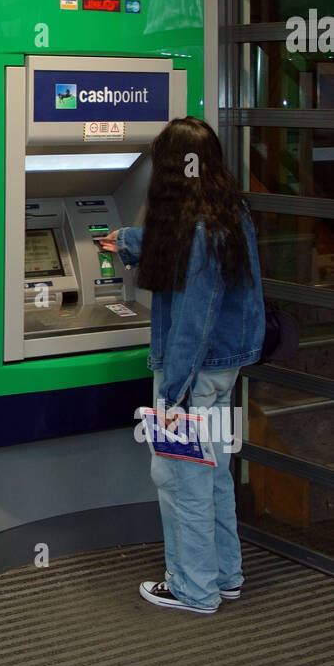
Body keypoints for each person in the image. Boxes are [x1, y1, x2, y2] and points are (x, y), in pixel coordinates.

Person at [97, 117, 265, 615]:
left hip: (192, 370)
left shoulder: (200, 226)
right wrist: (128, 240)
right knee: (212, 471)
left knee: (178, 477)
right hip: (223, 368)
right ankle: (225, 574)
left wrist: (174, 393)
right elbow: (181, 254)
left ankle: (193, 588)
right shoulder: (227, 211)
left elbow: (196, 315)